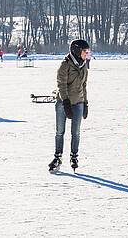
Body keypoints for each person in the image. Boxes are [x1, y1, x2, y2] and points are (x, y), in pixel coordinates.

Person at [48, 40, 90, 173]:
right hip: (63, 102)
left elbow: (84, 86)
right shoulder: (65, 65)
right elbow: (61, 85)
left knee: (76, 132)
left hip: (78, 102)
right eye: (85, 51)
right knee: (60, 132)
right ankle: (57, 157)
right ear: (77, 51)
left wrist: (86, 102)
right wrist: (65, 102)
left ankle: (74, 156)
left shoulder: (84, 66)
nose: (87, 54)